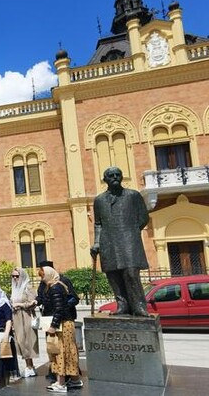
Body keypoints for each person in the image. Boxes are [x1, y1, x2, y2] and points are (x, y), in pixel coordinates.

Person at [91, 166, 151, 317]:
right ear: (105, 180)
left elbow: (144, 217)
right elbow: (98, 224)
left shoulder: (133, 195)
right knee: (113, 274)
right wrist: (97, 243)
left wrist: (131, 230)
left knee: (131, 273)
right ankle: (122, 306)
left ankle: (139, 307)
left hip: (129, 240)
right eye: (111, 175)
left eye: (118, 174)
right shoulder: (99, 200)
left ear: (122, 177)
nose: (115, 177)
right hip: (108, 242)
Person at [42, 267, 82, 393]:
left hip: (62, 324)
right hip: (66, 322)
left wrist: (53, 326)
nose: (42, 278)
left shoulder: (55, 288)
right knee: (69, 350)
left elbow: (58, 309)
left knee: (59, 351)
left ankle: (60, 383)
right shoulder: (59, 286)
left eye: (43, 275)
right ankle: (75, 380)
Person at [10, 267, 39, 378]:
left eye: (17, 276)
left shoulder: (28, 287)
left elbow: (33, 303)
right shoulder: (14, 288)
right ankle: (29, 366)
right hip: (16, 317)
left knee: (27, 341)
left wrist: (20, 305)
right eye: (13, 276)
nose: (15, 278)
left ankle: (30, 367)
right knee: (20, 341)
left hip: (26, 316)